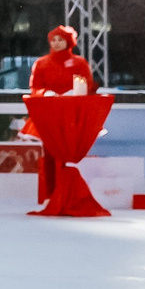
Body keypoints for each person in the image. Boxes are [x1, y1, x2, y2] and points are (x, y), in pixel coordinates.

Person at [25, 25, 98, 205]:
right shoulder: (41, 63)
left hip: (71, 113)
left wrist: (72, 94)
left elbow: (86, 86)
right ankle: (51, 193)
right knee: (49, 151)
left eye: (60, 40)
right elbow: (35, 88)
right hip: (49, 113)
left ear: (68, 42)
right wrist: (46, 93)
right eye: (53, 40)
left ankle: (71, 191)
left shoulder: (79, 63)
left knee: (70, 151)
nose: (56, 44)